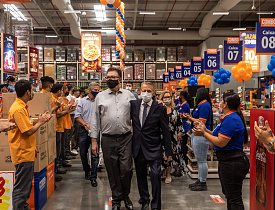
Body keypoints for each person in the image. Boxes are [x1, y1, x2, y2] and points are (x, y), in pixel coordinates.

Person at [193, 92, 250, 210]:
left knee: (234, 197)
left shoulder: (231, 119)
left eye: (222, 101)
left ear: (226, 104)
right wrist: (204, 129)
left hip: (232, 162)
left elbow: (220, 142)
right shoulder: (228, 118)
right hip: (227, 161)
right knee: (230, 195)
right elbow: (216, 135)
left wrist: (203, 134)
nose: (219, 103)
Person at [90, 67, 136, 210]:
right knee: (112, 170)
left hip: (126, 138)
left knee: (126, 169)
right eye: (108, 77)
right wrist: (94, 141)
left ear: (119, 79)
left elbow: (136, 115)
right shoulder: (100, 96)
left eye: (113, 77)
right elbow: (95, 120)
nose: (109, 79)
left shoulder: (129, 95)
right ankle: (116, 200)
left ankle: (126, 195)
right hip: (108, 139)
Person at [8, 80, 52, 210]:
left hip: (27, 152)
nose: (33, 92)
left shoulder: (22, 107)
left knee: (25, 187)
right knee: (21, 188)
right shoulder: (18, 109)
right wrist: (41, 122)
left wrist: (38, 120)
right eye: (32, 90)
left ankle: (23, 207)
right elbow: (27, 132)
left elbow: (26, 126)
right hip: (22, 154)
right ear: (28, 92)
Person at [131, 82, 172, 210]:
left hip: (154, 147)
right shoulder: (134, 105)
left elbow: (165, 130)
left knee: (155, 175)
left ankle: (155, 205)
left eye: (149, 91)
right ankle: (144, 200)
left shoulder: (160, 108)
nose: (146, 93)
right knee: (141, 176)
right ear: (140, 91)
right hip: (138, 146)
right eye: (144, 90)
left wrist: (168, 151)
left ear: (153, 93)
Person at [182, 87, 213, 191]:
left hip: (201, 135)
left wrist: (190, 118)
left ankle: (203, 182)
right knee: (200, 160)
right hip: (197, 133)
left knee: (202, 160)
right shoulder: (202, 104)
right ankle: (200, 180)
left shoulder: (204, 105)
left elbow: (201, 122)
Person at [75, 82, 100, 187]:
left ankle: (93, 177)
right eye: (95, 89)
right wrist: (85, 124)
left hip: (96, 130)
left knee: (95, 153)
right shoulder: (81, 102)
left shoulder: (99, 102)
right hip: (83, 130)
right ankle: (86, 169)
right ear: (89, 90)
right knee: (83, 152)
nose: (97, 92)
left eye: (98, 90)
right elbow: (77, 116)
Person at [158, 90, 184, 183]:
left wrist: (180, 132)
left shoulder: (175, 110)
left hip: (173, 136)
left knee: (171, 155)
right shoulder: (159, 108)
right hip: (161, 136)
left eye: (169, 97)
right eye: (165, 97)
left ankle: (168, 174)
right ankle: (162, 172)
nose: (167, 99)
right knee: (162, 154)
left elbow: (179, 122)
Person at [51, 84, 72, 176]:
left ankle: (58, 166)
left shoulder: (58, 99)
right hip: (57, 127)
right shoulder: (54, 99)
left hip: (60, 126)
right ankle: (56, 168)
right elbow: (58, 114)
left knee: (60, 147)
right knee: (57, 149)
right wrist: (66, 110)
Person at [178, 90, 191, 166]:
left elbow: (183, 115)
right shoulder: (182, 104)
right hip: (182, 125)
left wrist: (178, 115)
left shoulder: (185, 104)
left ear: (181, 96)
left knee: (184, 144)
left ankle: (185, 161)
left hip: (184, 126)